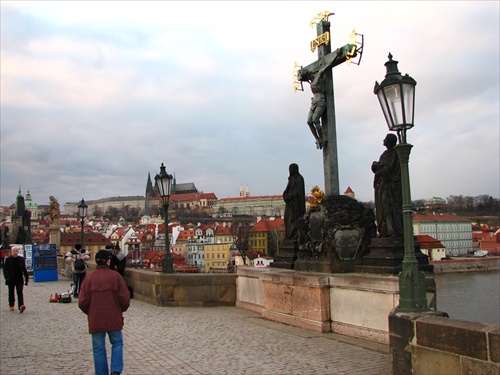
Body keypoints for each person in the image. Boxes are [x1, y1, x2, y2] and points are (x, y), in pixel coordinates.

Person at [79, 250, 130, 375]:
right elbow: (125, 299)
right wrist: (119, 310)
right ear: (108, 261)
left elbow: (82, 302)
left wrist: (91, 311)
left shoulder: (88, 279)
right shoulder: (116, 276)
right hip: (113, 317)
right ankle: (115, 370)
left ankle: (101, 373)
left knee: (98, 348)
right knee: (117, 343)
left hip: (96, 318)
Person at [372, 133, 404, 238]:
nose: (383, 140)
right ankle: (385, 231)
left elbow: (390, 170)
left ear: (390, 141)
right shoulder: (385, 154)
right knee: (383, 208)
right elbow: (383, 167)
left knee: (389, 208)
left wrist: (380, 168)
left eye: (385, 139)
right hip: (383, 186)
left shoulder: (395, 154)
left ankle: (392, 231)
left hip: (391, 188)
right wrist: (376, 167)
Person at [283, 163, 306, 241]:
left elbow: (298, 191)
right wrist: (285, 195)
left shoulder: (299, 178)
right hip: (290, 204)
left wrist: (290, 196)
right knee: (287, 218)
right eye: (289, 169)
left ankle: (295, 235)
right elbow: (288, 189)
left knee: (294, 220)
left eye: (292, 169)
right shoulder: (291, 179)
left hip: (296, 206)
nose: (290, 171)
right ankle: (289, 236)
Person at [3, 246, 29, 313]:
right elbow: (5, 269)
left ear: (18, 252)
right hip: (11, 278)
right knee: (11, 292)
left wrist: (26, 277)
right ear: (11, 252)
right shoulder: (8, 259)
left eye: (16, 251)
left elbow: (24, 269)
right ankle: (11, 305)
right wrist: (6, 277)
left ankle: (21, 306)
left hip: (19, 278)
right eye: (13, 251)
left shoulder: (21, 259)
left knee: (20, 292)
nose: (15, 252)